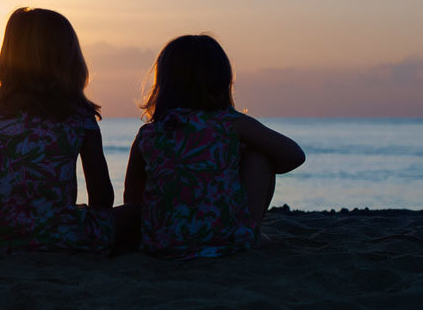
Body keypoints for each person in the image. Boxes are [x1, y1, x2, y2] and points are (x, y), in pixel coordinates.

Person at [123, 34, 305, 259]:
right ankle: (250, 233)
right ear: (221, 80)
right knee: (260, 157)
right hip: (225, 242)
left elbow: (132, 199)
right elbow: (294, 155)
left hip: (160, 243)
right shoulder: (231, 123)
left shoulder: (149, 134)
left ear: (164, 84)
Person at [0, 7, 134, 253]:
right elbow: (101, 196)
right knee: (138, 212)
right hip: (61, 236)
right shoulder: (79, 116)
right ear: (68, 59)